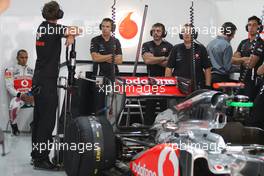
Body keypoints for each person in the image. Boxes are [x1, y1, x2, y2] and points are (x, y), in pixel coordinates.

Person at [31, 1, 81, 170]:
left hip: (39, 79)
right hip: (46, 81)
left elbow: (71, 32)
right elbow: (77, 30)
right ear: (58, 14)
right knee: (46, 121)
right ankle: (41, 159)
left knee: (38, 120)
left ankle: (36, 155)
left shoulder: (43, 27)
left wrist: (69, 36)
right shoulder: (53, 29)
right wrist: (71, 35)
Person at [142, 23, 173, 125]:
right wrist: (164, 57)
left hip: (165, 82)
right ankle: (147, 131)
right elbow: (147, 60)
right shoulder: (146, 45)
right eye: (154, 30)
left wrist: (153, 58)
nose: (155, 33)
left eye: (158, 31)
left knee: (165, 110)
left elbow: (169, 64)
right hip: (151, 82)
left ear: (163, 33)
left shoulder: (169, 46)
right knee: (149, 109)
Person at [90, 18, 123, 115]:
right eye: (103, 26)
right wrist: (111, 56)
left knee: (112, 103)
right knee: (99, 102)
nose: (105, 28)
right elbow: (95, 58)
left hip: (113, 75)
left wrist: (102, 57)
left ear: (112, 28)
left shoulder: (116, 41)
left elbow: (119, 60)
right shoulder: (95, 40)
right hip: (99, 76)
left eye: (107, 26)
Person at [165, 23, 212, 89]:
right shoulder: (176, 48)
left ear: (194, 34)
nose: (186, 34)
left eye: (189, 32)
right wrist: (168, 86)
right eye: (184, 32)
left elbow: (207, 68)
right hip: (178, 86)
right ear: (181, 35)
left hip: (197, 85)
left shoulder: (201, 48)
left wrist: (208, 86)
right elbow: (169, 68)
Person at [232, 16, 264, 101]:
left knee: (249, 108)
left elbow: (250, 64)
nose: (251, 27)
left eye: (254, 25)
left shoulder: (261, 43)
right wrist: (244, 59)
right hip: (241, 80)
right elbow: (232, 60)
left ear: (259, 27)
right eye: (249, 25)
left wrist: (239, 60)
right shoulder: (243, 42)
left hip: (253, 82)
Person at [4, 49, 34, 135]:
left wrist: (32, 95)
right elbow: (9, 86)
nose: (24, 60)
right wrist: (20, 95)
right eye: (22, 57)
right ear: (17, 58)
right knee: (13, 105)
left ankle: (34, 125)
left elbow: (35, 85)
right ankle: (14, 126)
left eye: (26, 58)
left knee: (45, 105)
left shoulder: (32, 70)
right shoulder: (10, 70)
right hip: (18, 96)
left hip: (30, 96)